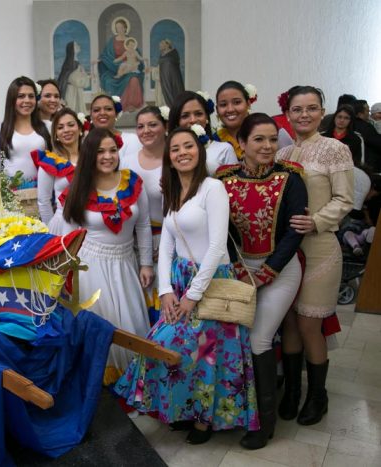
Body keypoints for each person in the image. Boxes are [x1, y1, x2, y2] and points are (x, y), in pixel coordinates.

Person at [115, 128, 258, 445]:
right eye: (175, 148)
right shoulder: (173, 192)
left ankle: (205, 419)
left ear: (199, 150)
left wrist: (192, 296)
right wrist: (165, 290)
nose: (182, 152)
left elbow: (217, 246)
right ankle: (185, 409)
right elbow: (165, 247)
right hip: (178, 280)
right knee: (165, 348)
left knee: (206, 354)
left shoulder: (213, 188)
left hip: (210, 281)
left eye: (188, 146)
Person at [216, 113, 307, 449]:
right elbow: (221, 231)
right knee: (237, 340)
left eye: (273, 140)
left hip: (281, 271)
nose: (268, 146)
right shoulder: (223, 179)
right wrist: (240, 269)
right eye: (259, 139)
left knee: (259, 339)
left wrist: (268, 271)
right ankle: (239, 410)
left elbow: (295, 233)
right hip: (240, 270)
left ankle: (264, 424)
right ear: (241, 143)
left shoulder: (292, 178)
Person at [276, 86, 354, 426]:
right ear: (288, 114)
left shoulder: (335, 150)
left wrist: (317, 221)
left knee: (310, 324)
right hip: (288, 252)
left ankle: (317, 396)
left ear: (322, 112)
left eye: (311, 108)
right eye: (297, 109)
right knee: (289, 321)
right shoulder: (282, 155)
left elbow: (344, 199)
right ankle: (292, 390)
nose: (304, 114)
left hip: (321, 248)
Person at [59, 128, 153, 384]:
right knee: (102, 325)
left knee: (130, 326)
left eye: (112, 150)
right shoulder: (77, 187)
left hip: (125, 265)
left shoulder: (131, 181)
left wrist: (146, 263)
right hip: (91, 267)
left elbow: (143, 225)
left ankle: (134, 388)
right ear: (90, 154)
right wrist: (68, 276)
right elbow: (70, 237)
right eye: (100, 151)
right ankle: (102, 392)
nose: (108, 156)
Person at [119, 106, 166, 325]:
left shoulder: (174, 158)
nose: (146, 131)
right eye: (140, 126)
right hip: (134, 242)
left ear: (165, 126)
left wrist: (166, 243)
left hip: (167, 240)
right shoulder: (126, 161)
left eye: (152, 125)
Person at [0, 76, 51, 182]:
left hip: (42, 190)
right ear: (12, 100)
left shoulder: (47, 126)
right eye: (21, 96)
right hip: (11, 192)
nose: (27, 100)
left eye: (31, 96)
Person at [35, 107, 83, 233]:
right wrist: (50, 229)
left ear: (80, 128)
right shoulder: (50, 162)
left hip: (92, 224)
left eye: (71, 125)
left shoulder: (92, 157)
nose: (66, 130)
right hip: (63, 224)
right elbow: (43, 201)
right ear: (55, 134)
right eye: (60, 127)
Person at [167, 90, 237, 175]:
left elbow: (234, 186)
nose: (193, 120)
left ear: (206, 118)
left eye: (198, 114)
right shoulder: (171, 151)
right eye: (185, 116)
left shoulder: (224, 149)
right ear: (177, 121)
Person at [96, 17, 144, 112]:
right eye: (117, 28)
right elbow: (106, 55)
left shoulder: (130, 41)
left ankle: (130, 104)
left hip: (130, 68)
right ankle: (111, 106)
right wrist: (101, 59)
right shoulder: (112, 41)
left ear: (125, 28)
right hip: (113, 68)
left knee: (134, 80)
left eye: (121, 27)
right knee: (108, 81)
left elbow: (138, 56)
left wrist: (140, 64)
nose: (119, 29)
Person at [87, 94, 142, 158]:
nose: (102, 113)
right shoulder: (86, 142)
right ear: (91, 116)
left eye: (108, 109)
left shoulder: (131, 140)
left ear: (116, 114)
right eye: (96, 110)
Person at [215, 80, 253, 159]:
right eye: (223, 104)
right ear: (217, 109)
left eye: (237, 102)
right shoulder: (214, 141)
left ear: (248, 104)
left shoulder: (263, 134)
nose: (230, 109)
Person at [57, 41, 90, 114]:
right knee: (71, 109)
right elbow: (68, 78)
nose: (78, 46)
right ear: (72, 49)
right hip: (71, 90)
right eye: (76, 45)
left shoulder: (77, 62)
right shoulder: (69, 63)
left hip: (77, 90)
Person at [151, 39, 185, 108]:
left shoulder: (173, 54)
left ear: (167, 45)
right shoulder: (162, 55)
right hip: (162, 79)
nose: (160, 46)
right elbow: (161, 67)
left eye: (161, 44)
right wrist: (153, 69)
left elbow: (169, 67)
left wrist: (154, 69)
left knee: (171, 94)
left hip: (172, 79)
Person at [352, 99, 381, 171]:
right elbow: (378, 143)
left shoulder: (349, 124)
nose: (369, 114)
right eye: (367, 111)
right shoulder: (366, 127)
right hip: (368, 166)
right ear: (360, 113)